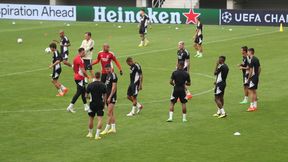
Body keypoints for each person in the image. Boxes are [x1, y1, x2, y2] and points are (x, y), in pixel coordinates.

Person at [66, 48, 90, 113]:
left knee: (83, 91)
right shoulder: (81, 60)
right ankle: (70, 107)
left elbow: (74, 68)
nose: (84, 53)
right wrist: (87, 76)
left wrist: (76, 73)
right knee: (79, 92)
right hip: (80, 78)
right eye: (83, 53)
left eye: (84, 52)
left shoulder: (75, 58)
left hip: (77, 77)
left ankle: (86, 106)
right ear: (79, 52)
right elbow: (83, 70)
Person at [86, 72, 107, 140]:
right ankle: (97, 135)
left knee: (91, 118)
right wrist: (104, 104)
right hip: (100, 104)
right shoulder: (103, 85)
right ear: (100, 77)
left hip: (92, 104)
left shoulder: (90, 85)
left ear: (94, 76)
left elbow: (86, 95)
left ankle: (90, 133)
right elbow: (104, 96)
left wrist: (89, 98)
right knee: (100, 119)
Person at [100, 64, 118, 135]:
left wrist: (110, 96)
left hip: (112, 96)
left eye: (108, 69)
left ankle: (106, 129)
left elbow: (114, 87)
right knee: (111, 112)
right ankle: (113, 128)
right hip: (107, 96)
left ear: (111, 68)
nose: (107, 70)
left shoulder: (113, 75)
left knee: (109, 113)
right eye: (106, 69)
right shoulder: (108, 75)